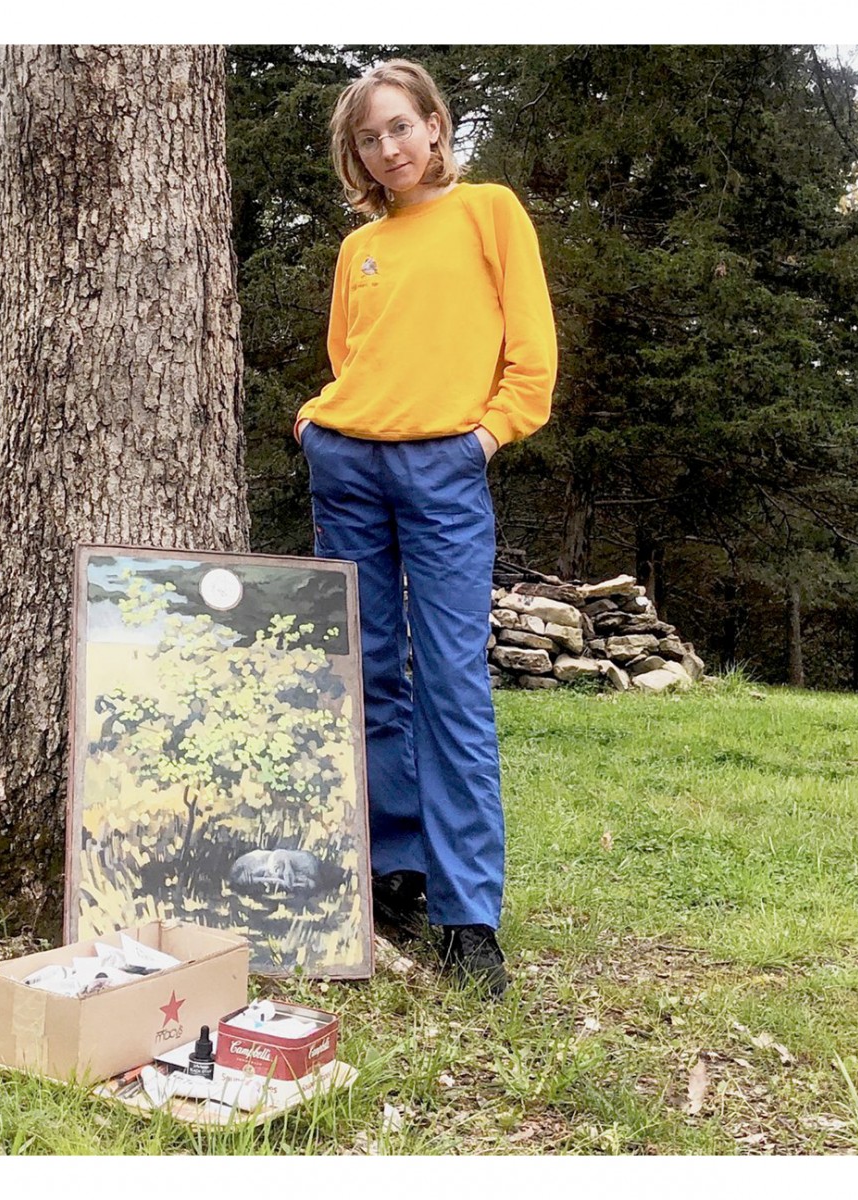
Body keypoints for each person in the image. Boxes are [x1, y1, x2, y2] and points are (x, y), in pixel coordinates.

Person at [294, 59, 558, 996]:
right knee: (364, 672)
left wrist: (484, 437)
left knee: (451, 681)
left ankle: (468, 916)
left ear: (436, 126)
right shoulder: (358, 247)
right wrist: (318, 426)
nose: (387, 148)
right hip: (348, 467)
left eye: (400, 127)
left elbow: (532, 355)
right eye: (368, 138)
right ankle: (393, 867)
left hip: (445, 467)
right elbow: (349, 356)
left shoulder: (490, 211)